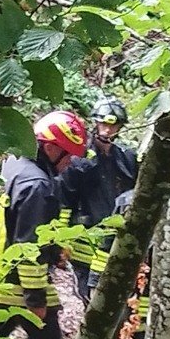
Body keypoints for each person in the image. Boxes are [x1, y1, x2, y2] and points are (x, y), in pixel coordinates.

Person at [0, 112, 89, 339]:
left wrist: (56, 250)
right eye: (68, 156)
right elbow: (28, 245)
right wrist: (36, 299)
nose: (69, 165)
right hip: (18, 285)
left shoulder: (14, 165)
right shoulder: (38, 185)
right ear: (51, 148)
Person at [59, 101, 138, 308]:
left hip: (115, 241)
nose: (108, 129)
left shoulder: (127, 158)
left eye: (113, 125)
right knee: (91, 300)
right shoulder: (79, 158)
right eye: (103, 124)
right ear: (95, 123)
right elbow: (65, 201)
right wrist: (62, 240)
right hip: (85, 242)